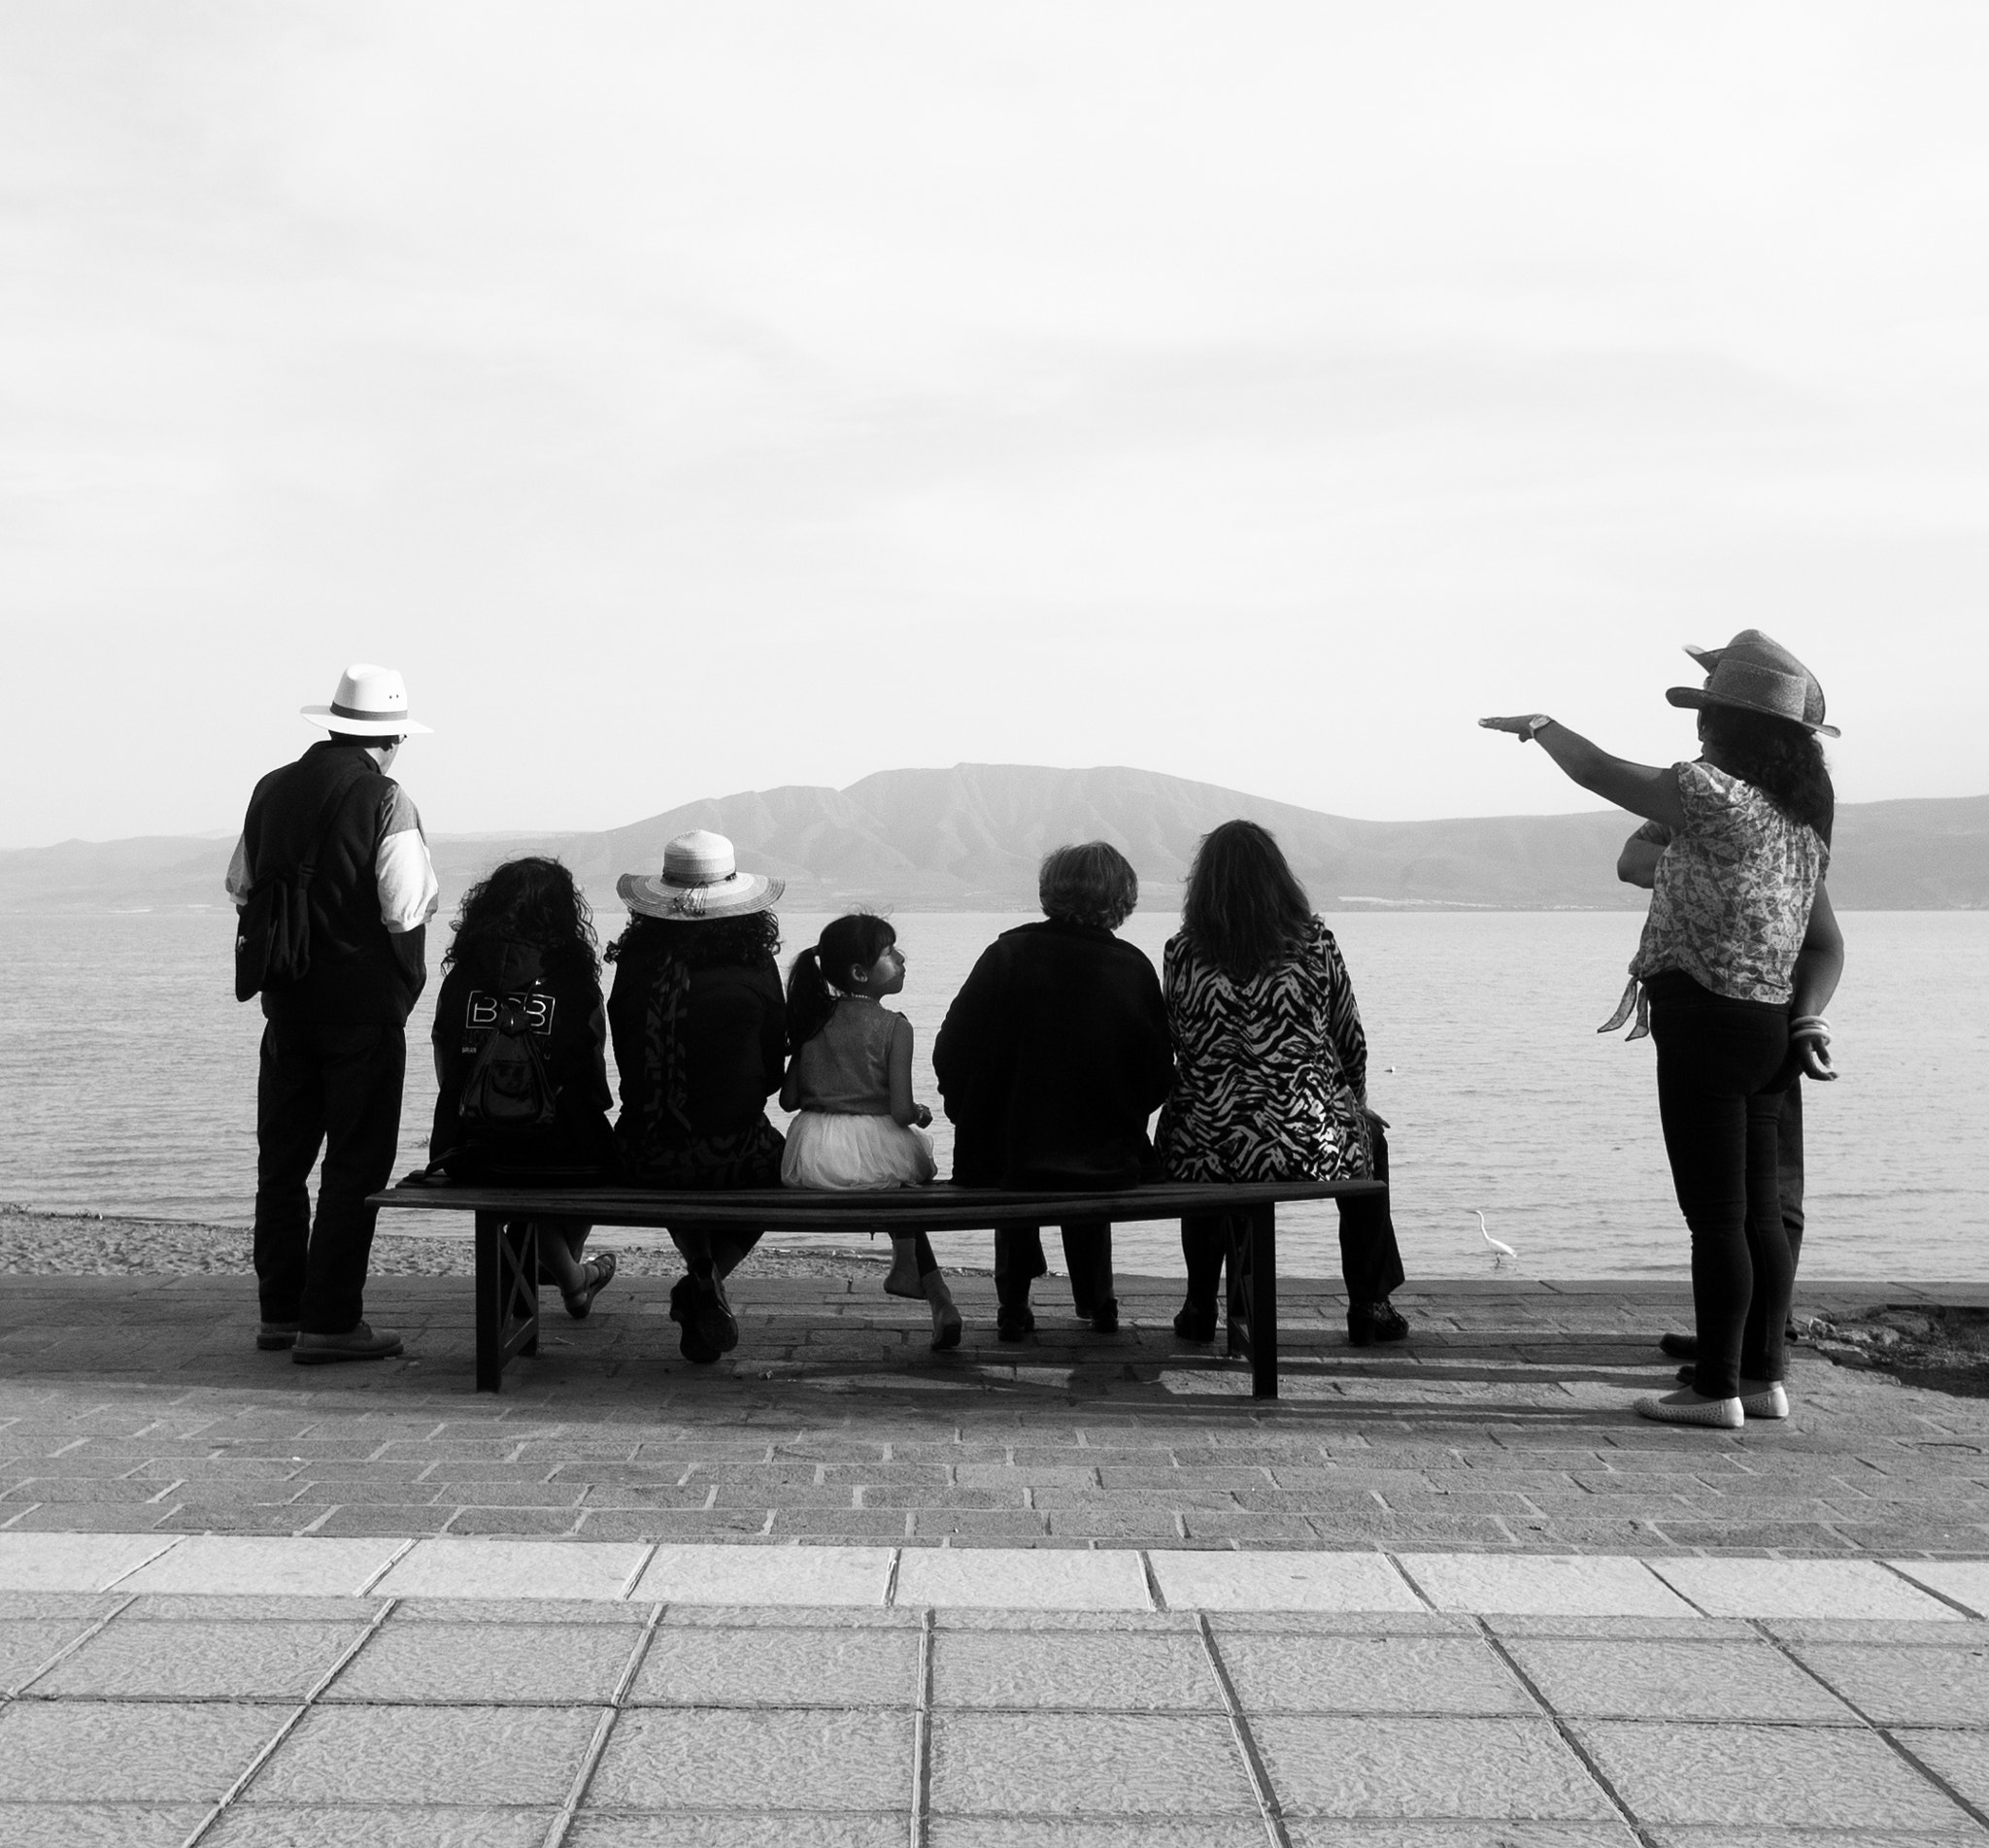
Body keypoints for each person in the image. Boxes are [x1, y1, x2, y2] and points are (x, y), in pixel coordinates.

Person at [1481, 628, 1843, 1429]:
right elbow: (1641, 861)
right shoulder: (1800, 822)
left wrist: (1542, 726)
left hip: (1703, 1019)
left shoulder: (1714, 795)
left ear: (1734, 727)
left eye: (1710, 714)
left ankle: (1714, 1387)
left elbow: (1602, 772)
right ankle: (1762, 1377)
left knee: (1714, 1215)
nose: (1700, 726)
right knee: (1756, 1214)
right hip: (1765, 1025)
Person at [227, 663, 439, 1363]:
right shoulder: (386, 798)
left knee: (281, 1165)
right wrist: (402, 988)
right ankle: (330, 1321)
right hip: (362, 1013)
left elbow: (241, 884)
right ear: (396, 738)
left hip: (285, 1009)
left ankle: (280, 1312)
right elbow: (405, 907)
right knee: (354, 1167)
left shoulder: (270, 789)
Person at [1156, 821, 1407, 1348]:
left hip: (1206, 1141)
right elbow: (1349, 1038)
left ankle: (1200, 1304)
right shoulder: (1315, 944)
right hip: (1302, 1141)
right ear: (1278, 879)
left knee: (1210, 1143)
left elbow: (1178, 1041)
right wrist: (1353, 1105)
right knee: (1371, 1144)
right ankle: (1369, 1303)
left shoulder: (1181, 952)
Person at [933, 842, 1173, 1341]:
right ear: (1122, 898)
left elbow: (952, 1045)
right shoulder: (1132, 968)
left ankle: (1013, 1304)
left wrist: (968, 1111)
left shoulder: (1006, 954)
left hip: (1004, 1156)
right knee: (1085, 1148)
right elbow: (1155, 1073)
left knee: (1015, 1148)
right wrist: (1120, 1111)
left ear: (1050, 891)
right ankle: (1097, 1300)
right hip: (1106, 1157)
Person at [607, 829, 787, 1364]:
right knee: (780, 1165)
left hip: (642, 1157)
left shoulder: (634, 966)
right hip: (735, 1158)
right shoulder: (753, 967)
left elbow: (627, 1063)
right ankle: (707, 1277)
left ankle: (702, 1270)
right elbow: (773, 1076)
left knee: (672, 1136)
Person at [428, 856, 619, 1319]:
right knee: (598, 1156)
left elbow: (446, 1067)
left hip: (470, 1155)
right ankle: (565, 1273)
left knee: (517, 1166)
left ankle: (556, 1273)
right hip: (567, 1158)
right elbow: (593, 1082)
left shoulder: (462, 979)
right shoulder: (573, 982)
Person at [779, 914, 960, 1350]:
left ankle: (925, 1287)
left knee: (895, 1182)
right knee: (906, 1176)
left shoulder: (814, 1019)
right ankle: (918, 1279)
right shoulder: (895, 1026)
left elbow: (787, 1100)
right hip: (874, 1149)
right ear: (861, 973)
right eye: (890, 953)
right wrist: (919, 1113)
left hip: (815, 1153)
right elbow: (898, 1112)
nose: (901, 959)